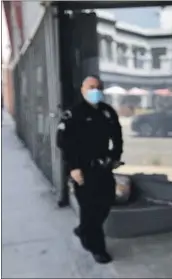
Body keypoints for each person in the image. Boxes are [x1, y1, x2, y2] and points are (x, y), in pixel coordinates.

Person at [56, 75, 123, 264]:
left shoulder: (107, 112)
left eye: (98, 87)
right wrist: (73, 167)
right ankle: (97, 247)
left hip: (103, 168)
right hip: (83, 169)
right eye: (91, 87)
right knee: (89, 208)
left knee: (106, 201)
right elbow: (63, 142)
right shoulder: (74, 113)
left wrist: (115, 156)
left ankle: (84, 229)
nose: (96, 90)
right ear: (82, 90)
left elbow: (117, 135)